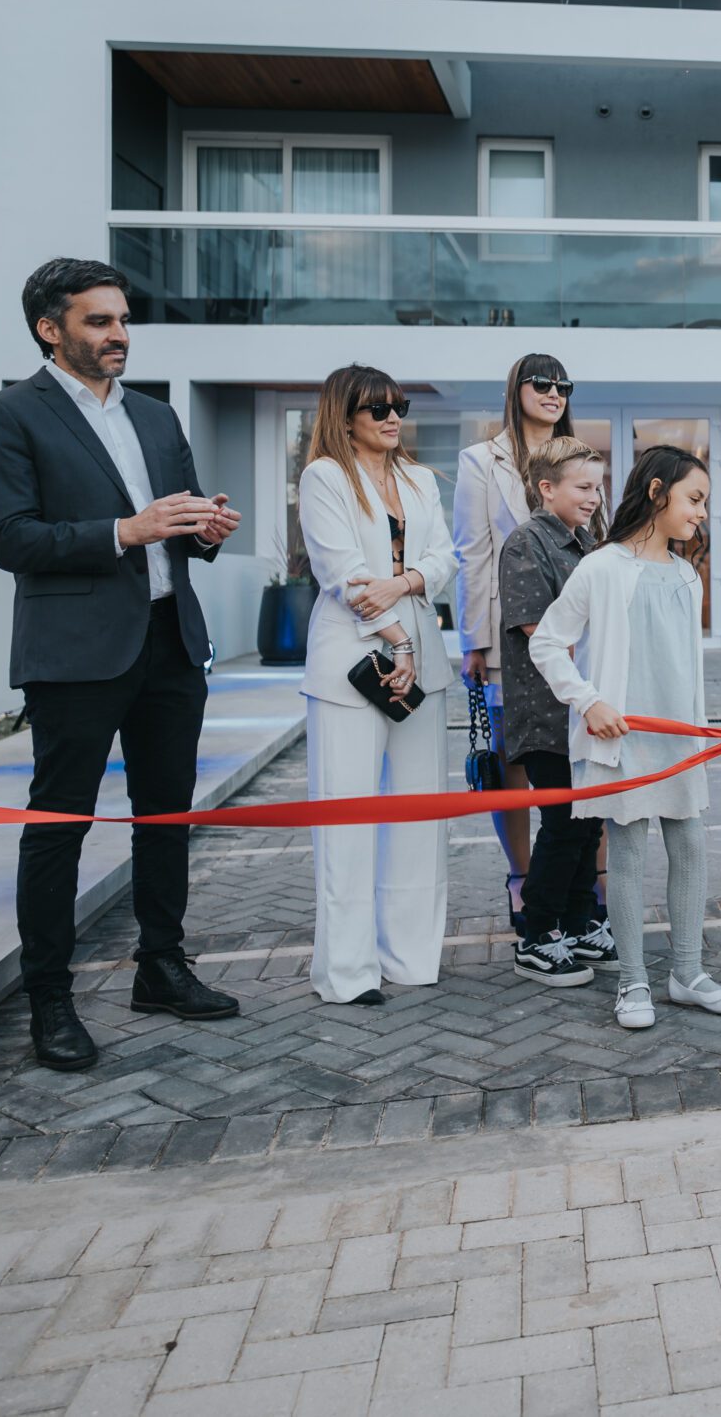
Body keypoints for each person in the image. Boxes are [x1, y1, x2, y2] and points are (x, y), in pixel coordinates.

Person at [0, 257, 243, 1073]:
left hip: (169, 641)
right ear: (51, 329)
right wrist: (128, 528)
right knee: (61, 825)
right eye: (99, 321)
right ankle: (48, 997)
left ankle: (161, 965)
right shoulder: (5, 416)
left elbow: (179, 527)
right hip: (77, 652)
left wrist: (204, 528)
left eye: (122, 319)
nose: (119, 334)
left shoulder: (157, 416)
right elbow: (11, 537)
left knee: (167, 813)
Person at [529, 444, 721, 1031]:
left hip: (678, 738)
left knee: (691, 846)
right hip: (621, 738)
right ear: (657, 492)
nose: (702, 513)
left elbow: (682, 665)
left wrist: (702, 731)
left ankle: (687, 974)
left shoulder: (687, 574)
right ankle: (632, 982)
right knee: (625, 854)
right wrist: (589, 701)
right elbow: (546, 642)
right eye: (694, 499)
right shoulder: (601, 567)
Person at [296, 365, 458, 1007]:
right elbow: (343, 573)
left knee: (420, 820)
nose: (393, 418)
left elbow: (446, 558)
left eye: (400, 406)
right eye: (377, 408)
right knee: (347, 818)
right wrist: (399, 638)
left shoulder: (420, 480)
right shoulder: (324, 476)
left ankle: (412, 958)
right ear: (345, 414)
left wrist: (409, 581)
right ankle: (347, 972)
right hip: (351, 666)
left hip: (424, 666)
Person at [454, 353, 583, 934]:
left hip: (576, 628)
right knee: (513, 761)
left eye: (563, 386)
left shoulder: (577, 452)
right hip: (512, 632)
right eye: (542, 384)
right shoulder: (482, 460)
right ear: (517, 388)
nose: (553, 393)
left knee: (577, 758)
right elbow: (474, 553)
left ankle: (586, 889)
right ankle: (521, 879)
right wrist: (475, 640)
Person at [500, 435, 611, 986]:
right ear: (547, 488)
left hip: (584, 711)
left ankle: (578, 918)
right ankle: (536, 933)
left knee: (588, 826)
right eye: (583, 487)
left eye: (598, 486)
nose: (594, 497)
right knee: (564, 823)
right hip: (547, 714)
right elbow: (538, 630)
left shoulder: (587, 544)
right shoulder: (527, 544)